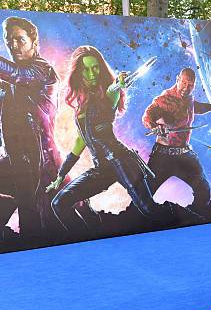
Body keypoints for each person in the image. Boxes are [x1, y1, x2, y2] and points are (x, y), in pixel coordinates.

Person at [46, 46, 170, 231]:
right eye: (86, 69)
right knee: (59, 203)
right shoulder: (81, 108)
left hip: (121, 161)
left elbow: (114, 89)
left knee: (149, 209)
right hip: (101, 168)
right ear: (78, 73)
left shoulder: (108, 94)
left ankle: (185, 229)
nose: (91, 73)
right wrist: (61, 175)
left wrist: (119, 83)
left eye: (95, 67)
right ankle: (87, 240)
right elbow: (79, 144)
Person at [0, 16, 66, 238]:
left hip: (40, 160)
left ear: (34, 42)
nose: (13, 45)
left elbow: (19, 76)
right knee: (26, 209)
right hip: (17, 156)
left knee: (33, 214)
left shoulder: (41, 70)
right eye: (9, 40)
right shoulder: (9, 80)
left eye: (20, 39)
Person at [142, 68, 211, 215]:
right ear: (177, 79)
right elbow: (147, 115)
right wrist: (155, 126)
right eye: (184, 83)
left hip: (184, 154)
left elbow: (195, 107)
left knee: (203, 192)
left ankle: (191, 221)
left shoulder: (189, 98)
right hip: (163, 157)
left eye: (190, 85)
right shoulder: (165, 99)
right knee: (144, 195)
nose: (186, 87)